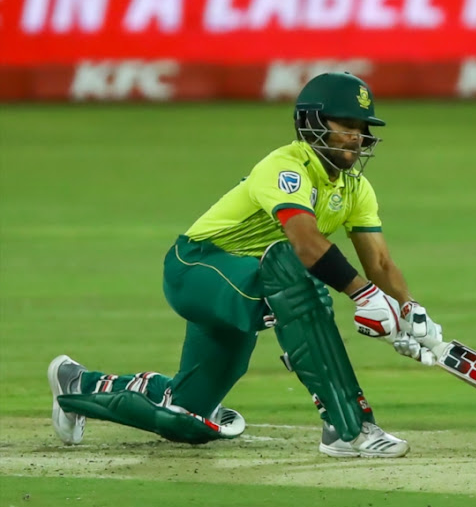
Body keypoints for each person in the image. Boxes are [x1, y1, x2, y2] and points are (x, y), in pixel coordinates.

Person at [48, 72, 443, 458]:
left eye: (362, 127)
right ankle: (348, 426)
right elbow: (305, 241)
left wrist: (408, 310)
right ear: (311, 123)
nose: (356, 137)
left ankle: (77, 386)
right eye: (346, 125)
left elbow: (380, 261)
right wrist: (364, 295)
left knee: (185, 418)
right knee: (296, 276)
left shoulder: (354, 188)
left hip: (249, 283)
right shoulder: (286, 167)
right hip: (199, 269)